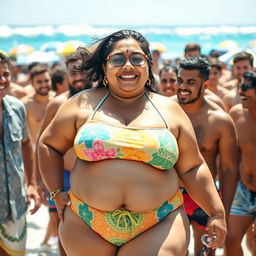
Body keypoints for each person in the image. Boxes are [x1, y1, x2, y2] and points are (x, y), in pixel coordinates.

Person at [38, 29, 226, 256]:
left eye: (137, 58)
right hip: (86, 223)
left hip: (159, 222)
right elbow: (49, 145)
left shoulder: (170, 110)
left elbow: (192, 166)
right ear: (105, 67)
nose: (128, 65)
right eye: (118, 59)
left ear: (148, 66)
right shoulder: (81, 104)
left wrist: (216, 212)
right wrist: (56, 191)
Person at [174, 56, 238, 255]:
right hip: (170, 194)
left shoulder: (220, 121)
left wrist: (222, 214)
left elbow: (229, 169)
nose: (183, 86)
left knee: (205, 252)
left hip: (203, 196)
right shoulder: (164, 111)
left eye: (191, 82)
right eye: (180, 80)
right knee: (173, 249)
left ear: (206, 85)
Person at [36, 51, 93, 256]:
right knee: (63, 227)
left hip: (91, 177)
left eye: (81, 72)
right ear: (66, 75)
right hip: (63, 176)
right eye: (72, 73)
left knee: (92, 229)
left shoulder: (101, 101)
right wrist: (38, 181)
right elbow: (42, 143)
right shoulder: (57, 104)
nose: (77, 77)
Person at [0, 52, 40, 255]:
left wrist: (31, 184)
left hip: (16, 201)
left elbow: (26, 144)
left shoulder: (17, 107)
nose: (2, 80)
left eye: (5, 74)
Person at [225, 71, 256, 256]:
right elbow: (233, 158)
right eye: (239, 86)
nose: (240, 91)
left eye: (245, 87)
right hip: (243, 190)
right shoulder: (236, 114)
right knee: (230, 242)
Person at [21, 64, 54, 145]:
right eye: (39, 82)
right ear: (32, 83)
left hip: (58, 151)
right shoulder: (25, 104)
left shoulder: (58, 100)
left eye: (46, 80)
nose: (43, 85)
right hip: (36, 151)